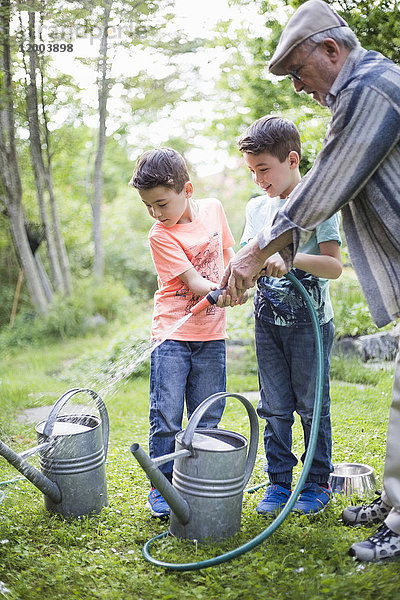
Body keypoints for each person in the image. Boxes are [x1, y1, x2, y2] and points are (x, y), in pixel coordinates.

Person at [221, 0, 400, 562]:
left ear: (330, 49)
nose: (297, 85)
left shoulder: (370, 87)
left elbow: (327, 184)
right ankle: (396, 504)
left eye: (298, 71)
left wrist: (254, 256)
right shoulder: (359, 92)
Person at [129, 147, 241, 518]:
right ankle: (163, 488)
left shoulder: (214, 209)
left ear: (187, 190)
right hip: (172, 336)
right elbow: (193, 281)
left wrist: (235, 284)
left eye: (161, 203)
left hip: (211, 335)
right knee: (167, 417)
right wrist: (220, 292)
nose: (156, 214)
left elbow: (228, 250)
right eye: (149, 206)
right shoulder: (159, 235)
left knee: (208, 415)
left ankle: (197, 480)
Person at [239, 115, 342, 516]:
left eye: (263, 169)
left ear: (292, 160)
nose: (258, 179)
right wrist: (238, 281)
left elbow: (333, 266)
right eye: (251, 171)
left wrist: (289, 257)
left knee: (312, 405)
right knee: (275, 406)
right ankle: (280, 482)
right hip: (267, 322)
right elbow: (248, 258)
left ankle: (316, 483)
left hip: (310, 326)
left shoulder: (320, 205)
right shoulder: (256, 209)